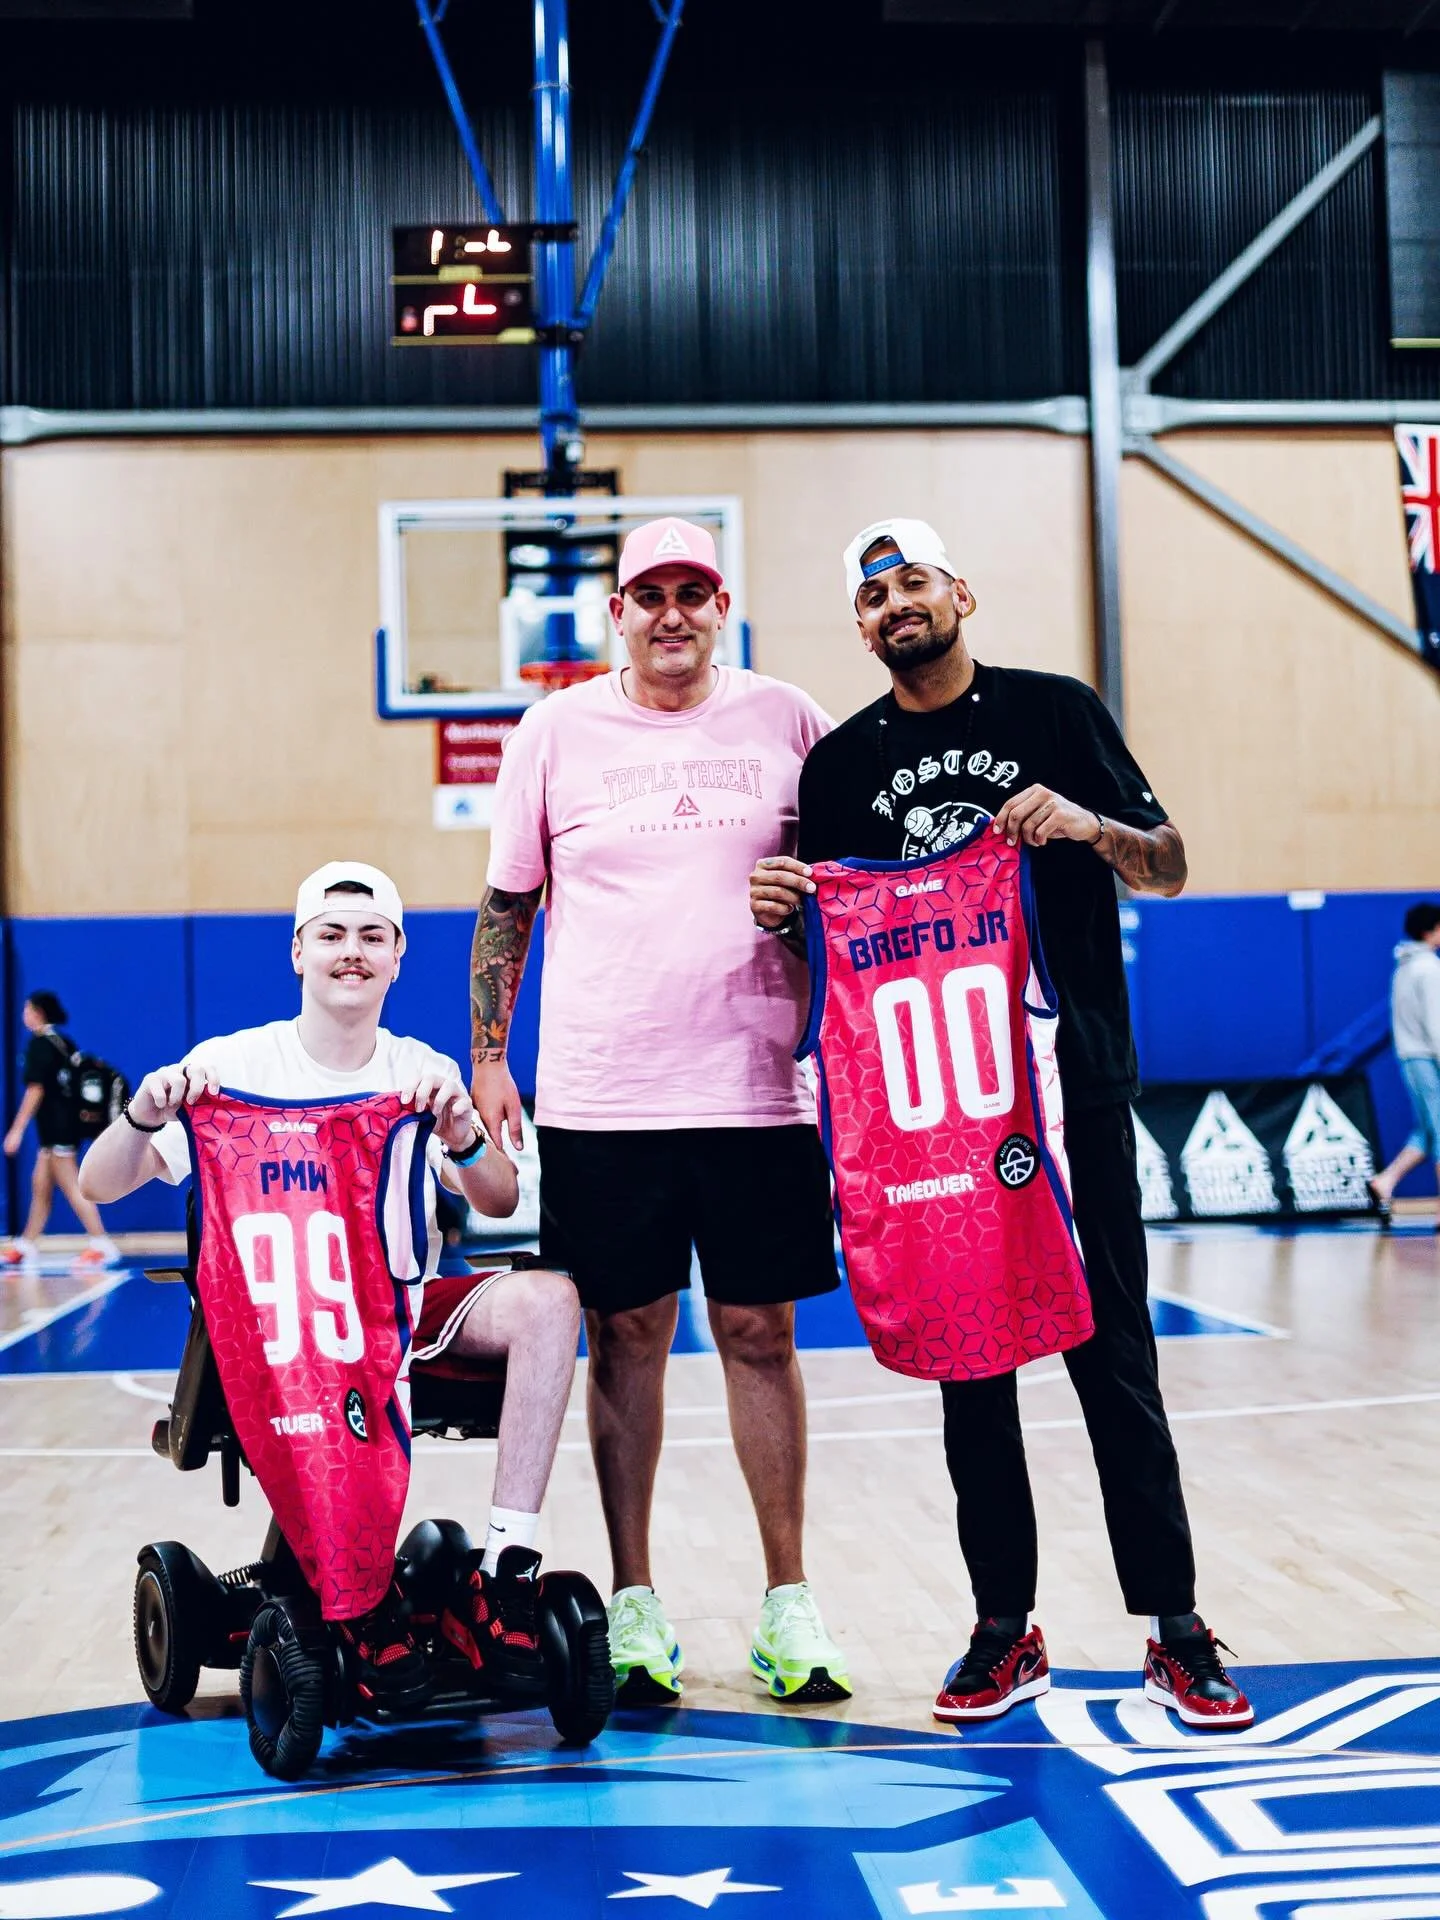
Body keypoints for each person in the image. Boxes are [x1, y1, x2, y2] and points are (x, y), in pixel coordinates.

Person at [749, 516, 1253, 1730]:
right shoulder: (842, 768)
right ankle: (1000, 1627)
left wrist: (1087, 825)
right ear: (861, 628)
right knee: (969, 1375)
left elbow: (1171, 862)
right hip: (938, 1118)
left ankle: (1174, 1626)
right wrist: (780, 911)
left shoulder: (1056, 712)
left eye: (912, 581)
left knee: (1112, 1360)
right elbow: (838, 936)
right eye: (872, 597)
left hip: (1071, 1088)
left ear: (959, 592)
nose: (894, 606)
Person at [470, 516, 850, 1706]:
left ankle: (788, 1603)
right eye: (650, 594)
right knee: (627, 1339)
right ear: (617, 613)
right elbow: (505, 909)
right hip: (603, 1094)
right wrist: (491, 1058)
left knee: (760, 1337)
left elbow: (856, 889)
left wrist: (812, 911)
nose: (671, 612)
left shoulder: (791, 718)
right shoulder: (554, 730)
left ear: (722, 603)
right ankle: (636, 1606)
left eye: (694, 591)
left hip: (757, 1089)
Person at [80, 861, 581, 1704]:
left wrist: (459, 1130)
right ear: (298, 953)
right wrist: (145, 1115)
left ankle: (506, 1568)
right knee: (328, 1346)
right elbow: (99, 1185)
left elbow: (497, 1197)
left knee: (553, 1301)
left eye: (372, 938)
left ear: (397, 958)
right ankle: (351, 1593)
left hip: (401, 1308)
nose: (352, 952)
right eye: (333, 936)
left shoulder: (417, 1072)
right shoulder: (232, 1067)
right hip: (293, 1323)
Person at [3, 991, 121, 1268]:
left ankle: (101, 1242)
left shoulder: (40, 1045)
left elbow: (36, 1090)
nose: (24, 1015)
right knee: (40, 1184)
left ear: (38, 1012)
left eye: (27, 1009)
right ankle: (28, 1242)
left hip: (57, 1129)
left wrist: (16, 1130)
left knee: (71, 1183)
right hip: (63, 1127)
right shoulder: (64, 1042)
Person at [1368, 902, 1440, 1228]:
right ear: (1430, 930)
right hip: (1429, 1057)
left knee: (1426, 1131)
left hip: (1411, 1057)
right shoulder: (1429, 969)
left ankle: (1385, 1181)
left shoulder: (1404, 967)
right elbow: (1436, 1022)